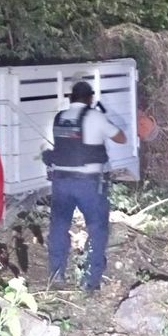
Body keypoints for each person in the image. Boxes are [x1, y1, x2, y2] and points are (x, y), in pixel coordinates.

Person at [41, 80, 126, 292]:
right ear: (89, 99)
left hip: (61, 182)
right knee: (97, 229)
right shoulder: (94, 116)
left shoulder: (59, 118)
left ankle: (56, 275)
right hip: (88, 183)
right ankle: (90, 280)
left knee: (59, 227)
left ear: (71, 98)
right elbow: (121, 138)